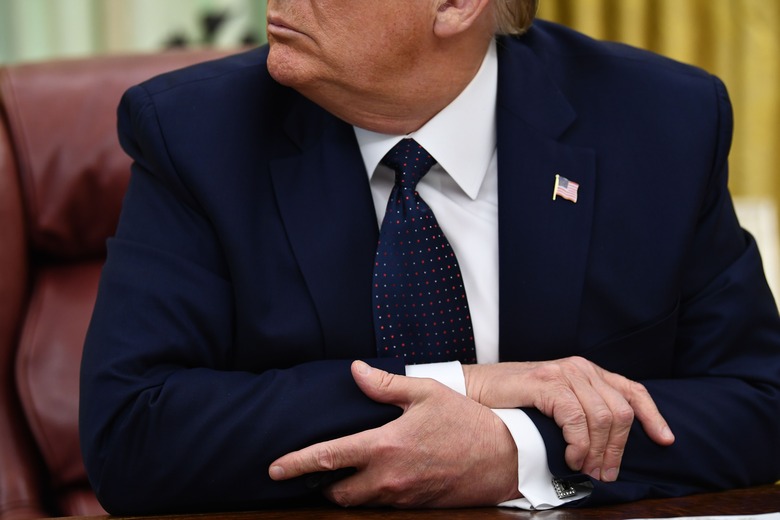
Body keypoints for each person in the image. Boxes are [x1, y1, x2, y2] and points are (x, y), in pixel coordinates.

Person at [79, 0, 780, 515]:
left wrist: (514, 451)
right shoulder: (197, 134)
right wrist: (470, 385)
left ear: (454, 5)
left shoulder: (660, 122)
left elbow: (759, 408)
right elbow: (134, 433)